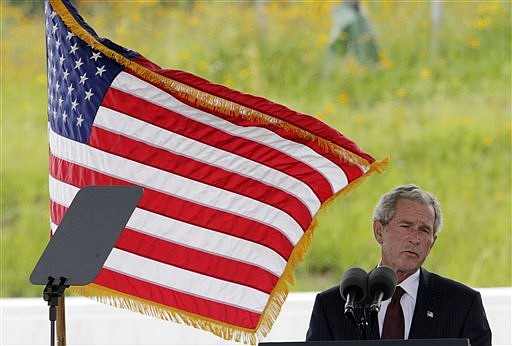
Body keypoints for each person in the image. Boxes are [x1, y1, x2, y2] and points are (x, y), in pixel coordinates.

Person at [305, 184, 492, 345]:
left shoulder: (462, 304)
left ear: (432, 242)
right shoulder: (334, 306)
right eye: (405, 226)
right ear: (379, 231)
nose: (415, 238)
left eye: (424, 230)